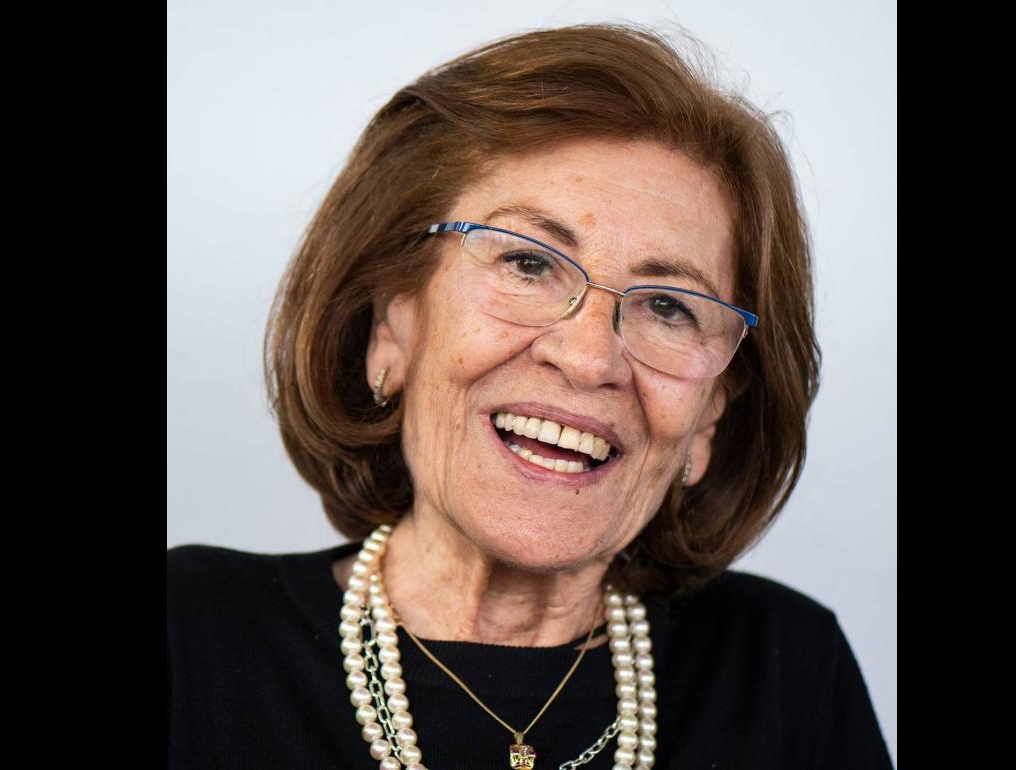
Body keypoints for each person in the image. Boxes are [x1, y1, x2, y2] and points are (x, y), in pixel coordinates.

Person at [168, 22, 893, 770]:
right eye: (528, 263)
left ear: (710, 413)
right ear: (393, 326)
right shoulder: (190, 635)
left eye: (668, 306)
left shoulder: (787, 673)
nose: (587, 358)